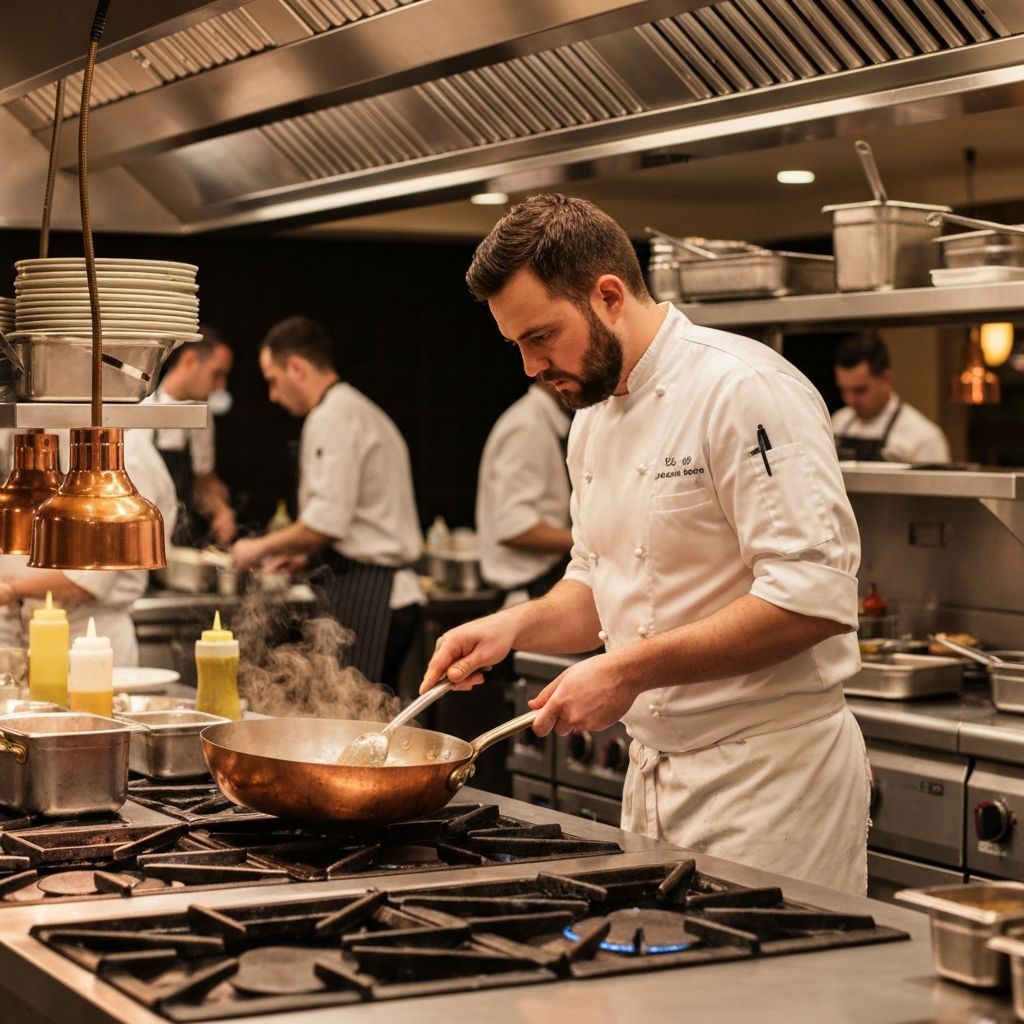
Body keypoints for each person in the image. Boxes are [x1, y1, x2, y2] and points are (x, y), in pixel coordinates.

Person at [420, 194, 870, 895]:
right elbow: (596, 581)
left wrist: (626, 672)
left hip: (773, 785)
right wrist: (513, 626)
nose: (530, 367)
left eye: (541, 336)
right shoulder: (591, 418)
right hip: (655, 777)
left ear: (608, 297)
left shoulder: (742, 389)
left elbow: (811, 601)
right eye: (517, 346)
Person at [231, 315, 425, 687]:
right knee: (369, 712)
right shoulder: (356, 409)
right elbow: (352, 518)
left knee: (352, 714)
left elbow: (325, 524)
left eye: (273, 381)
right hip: (383, 593)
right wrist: (303, 558)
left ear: (297, 367)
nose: (273, 396)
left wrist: (256, 548)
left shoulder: (332, 416)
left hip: (372, 594)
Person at [0, 428, 178, 665]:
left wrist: (11, 588)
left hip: (92, 639)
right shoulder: (35, 445)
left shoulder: (123, 454)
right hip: (30, 635)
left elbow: (90, 577)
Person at [476, 379, 573, 605]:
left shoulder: (544, 423)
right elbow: (514, 528)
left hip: (541, 589)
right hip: (529, 594)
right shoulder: (528, 426)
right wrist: (590, 541)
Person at [150, 326, 237, 546]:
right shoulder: (142, 408)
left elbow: (204, 480)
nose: (221, 386)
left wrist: (220, 510)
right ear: (190, 360)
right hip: (144, 533)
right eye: (217, 374)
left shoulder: (202, 414)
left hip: (181, 538)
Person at [832, 333, 951, 463]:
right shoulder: (838, 422)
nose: (850, 400)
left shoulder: (924, 438)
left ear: (886, 379)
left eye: (860, 390)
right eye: (843, 390)